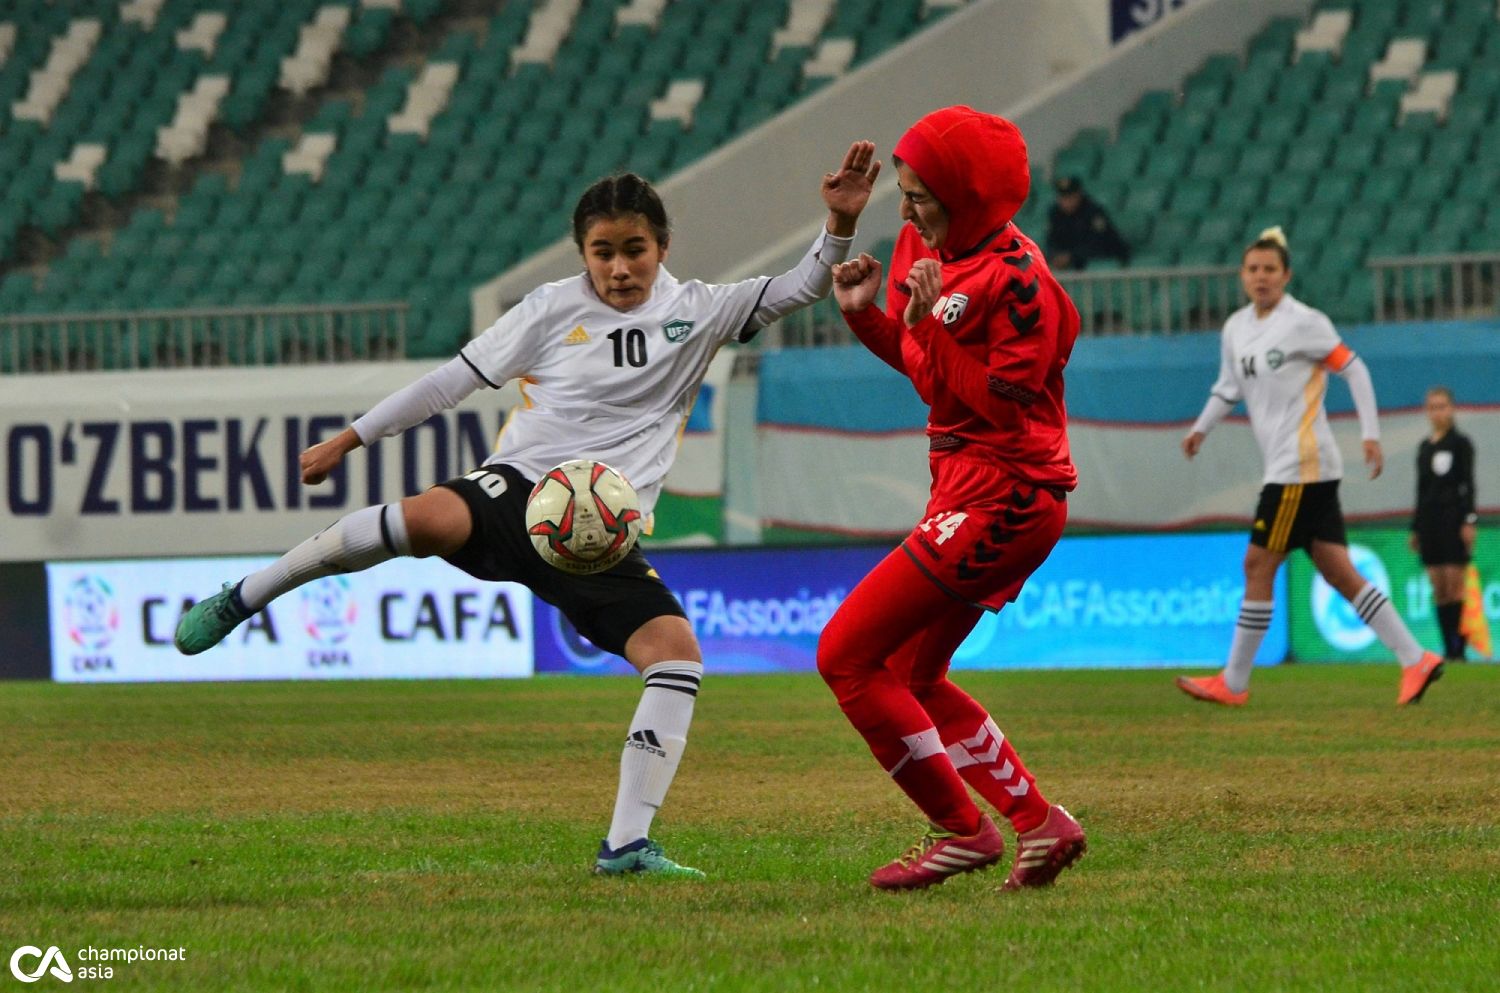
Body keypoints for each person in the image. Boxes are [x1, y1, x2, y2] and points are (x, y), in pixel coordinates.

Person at [172, 142, 882, 878]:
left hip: (602, 535)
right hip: (523, 490)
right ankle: (245, 596)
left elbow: (803, 285)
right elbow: (449, 383)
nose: (618, 269)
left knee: (675, 656)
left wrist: (837, 223)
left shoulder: (700, 310)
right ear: (581, 254)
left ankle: (627, 847)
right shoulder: (547, 310)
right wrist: (352, 438)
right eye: (602, 252)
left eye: (634, 250)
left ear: (663, 246)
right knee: (425, 519)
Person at [818, 106, 1086, 892]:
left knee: (847, 655)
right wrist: (870, 317)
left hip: (1009, 493)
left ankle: (963, 829)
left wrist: (928, 326)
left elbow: (1000, 406)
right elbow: (929, 375)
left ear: (969, 197)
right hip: (968, 485)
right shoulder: (929, 250)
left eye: (921, 197)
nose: (905, 212)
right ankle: (1040, 823)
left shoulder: (1021, 283)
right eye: (902, 193)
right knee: (914, 673)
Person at [1176, 227, 1444, 708]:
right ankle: (1415, 658)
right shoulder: (1236, 327)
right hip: (1295, 468)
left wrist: (1370, 433)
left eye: (1270, 270)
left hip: (1300, 466)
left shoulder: (1304, 322)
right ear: (1242, 275)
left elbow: (1354, 368)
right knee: (1339, 572)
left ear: (1286, 275)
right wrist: (1201, 428)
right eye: (1253, 269)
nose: (1261, 277)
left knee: (1257, 564)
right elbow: (1227, 387)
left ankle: (1234, 682)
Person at [1410, 386, 1478, 661]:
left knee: (1454, 583)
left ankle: (1459, 648)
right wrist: (1415, 527)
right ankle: (1446, 647)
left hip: (1453, 520)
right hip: (1429, 523)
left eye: (1442, 406)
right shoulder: (1425, 448)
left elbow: (1469, 485)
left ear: (1451, 409)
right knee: (1438, 586)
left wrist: (1469, 520)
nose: (1437, 412)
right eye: (1432, 407)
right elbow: (1421, 489)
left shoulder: (1461, 444)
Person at [1044, 175, 1130, 271]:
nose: (1066, 202)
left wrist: (1072, 256)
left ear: (1078, 195)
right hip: (1074, 263)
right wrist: (1055, 255)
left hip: (1099, 262)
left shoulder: (1092, 211)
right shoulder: (1055, 213)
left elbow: (1100, 242)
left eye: (1070, 197)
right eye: (1063, 197)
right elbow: (1051, 239)